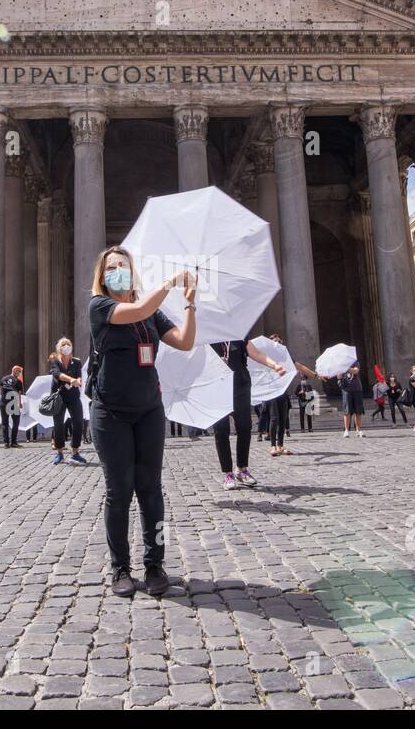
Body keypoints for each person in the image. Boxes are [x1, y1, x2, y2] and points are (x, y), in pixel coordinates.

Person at [88, 246, 195, 598]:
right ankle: (120, 568)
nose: (117, 270)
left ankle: (155, 564)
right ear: (103, 276)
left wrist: (191, 304)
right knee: (118, 493)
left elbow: (184, 341)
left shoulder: (153, 313)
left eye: (123, 265)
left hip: (149, 409)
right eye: (111, 267)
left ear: (132, 271)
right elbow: (137, 308)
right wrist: (170, 281)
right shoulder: (100, 306)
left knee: (151, 491)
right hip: (111, 412)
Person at [209, 337, 284, 488]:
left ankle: (241, 469)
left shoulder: (239, 335)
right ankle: (228, 473)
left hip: (240, 387)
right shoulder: (207, 337)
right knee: (221, 430)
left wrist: (274, 365)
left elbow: (256, 353)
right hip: (217, 388)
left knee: (244, 427)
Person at [49, 337, 88, 465]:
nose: (66, 346)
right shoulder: (55, 361)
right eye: (64, 344)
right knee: (58, 424)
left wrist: (78, 381)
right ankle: (59, 453)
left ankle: (75, 452)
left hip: (73, 396)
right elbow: (57, 374)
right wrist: (71, 380)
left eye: (68, 344)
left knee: (78, 422)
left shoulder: (76, 362)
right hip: (59, 397)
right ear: (59, 348)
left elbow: (79, 376)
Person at [337, 363, 367, 437]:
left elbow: (355, 371)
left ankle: (358, 430)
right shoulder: (340, 362)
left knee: (358, 411)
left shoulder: (355, 362)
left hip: (357, 389)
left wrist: (345, 367)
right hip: (347, 390)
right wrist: (339, 375)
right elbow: (338, 376)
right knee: (347, 411)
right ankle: (346, 430)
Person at [0, 365, 24, 449]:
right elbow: (19, 394)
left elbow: (0, 390)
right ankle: (13, 442)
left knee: (5, 423)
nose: (20, 373)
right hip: (13, 402)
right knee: (16, 422)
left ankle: (6, 442)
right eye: (19, 371)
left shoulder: (3, 378)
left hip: (3, 402)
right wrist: (19, 403)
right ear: (14, 371)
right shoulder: (18, 381)